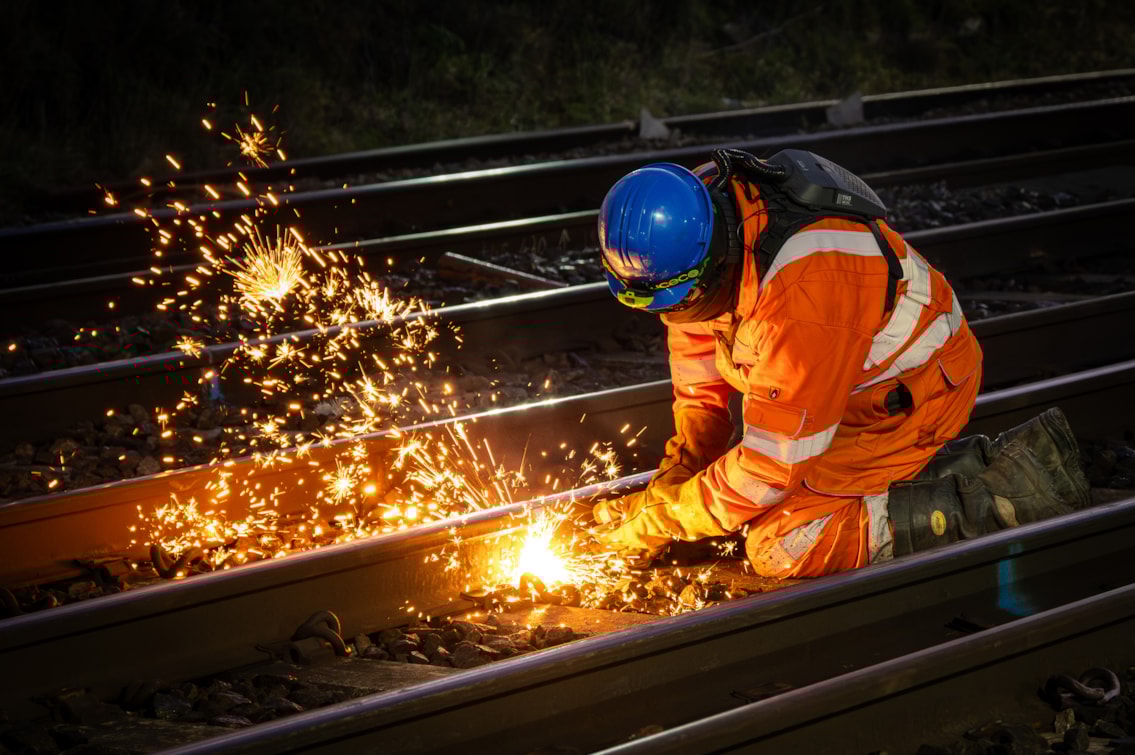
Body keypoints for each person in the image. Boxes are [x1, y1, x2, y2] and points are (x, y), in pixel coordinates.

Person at [591, 148, 1091, 577]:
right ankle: (956, 471)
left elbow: (768, 469)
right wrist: (683, 473)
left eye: (682, 302)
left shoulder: (803, 291)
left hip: (911, 396)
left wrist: (664, 518)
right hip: (840, 385)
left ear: (710, 265)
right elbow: (698, 357)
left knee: (780, 544)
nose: (675, 318)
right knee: (727, 496)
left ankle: (1004, 493)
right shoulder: (697, 216)